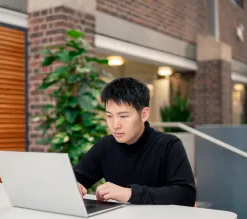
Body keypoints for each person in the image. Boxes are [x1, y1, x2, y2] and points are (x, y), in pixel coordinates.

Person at [73, 77, 196, 206]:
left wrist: (130, 193)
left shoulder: (169, 145)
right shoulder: (105, 146)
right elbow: (75, 178)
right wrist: (75, 186)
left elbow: (186, 195)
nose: (115, 125)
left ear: (144, 114)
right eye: (109, 116)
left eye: (123, 116)